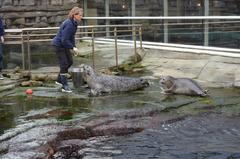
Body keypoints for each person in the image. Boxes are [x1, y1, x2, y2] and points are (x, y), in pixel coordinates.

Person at [52, 7, 83, 93]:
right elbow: (64, 39)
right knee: (64, 63)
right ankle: (64, 86)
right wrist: (72, 47)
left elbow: (71, 37)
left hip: (64, 45)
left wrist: (74, 47)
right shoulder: (69, 24)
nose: (81, 17)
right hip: (58, 45)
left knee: (70, 62)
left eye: (81, 15)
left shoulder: (74, 23)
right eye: (80, 15)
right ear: (74, 15)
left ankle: (59, 80)